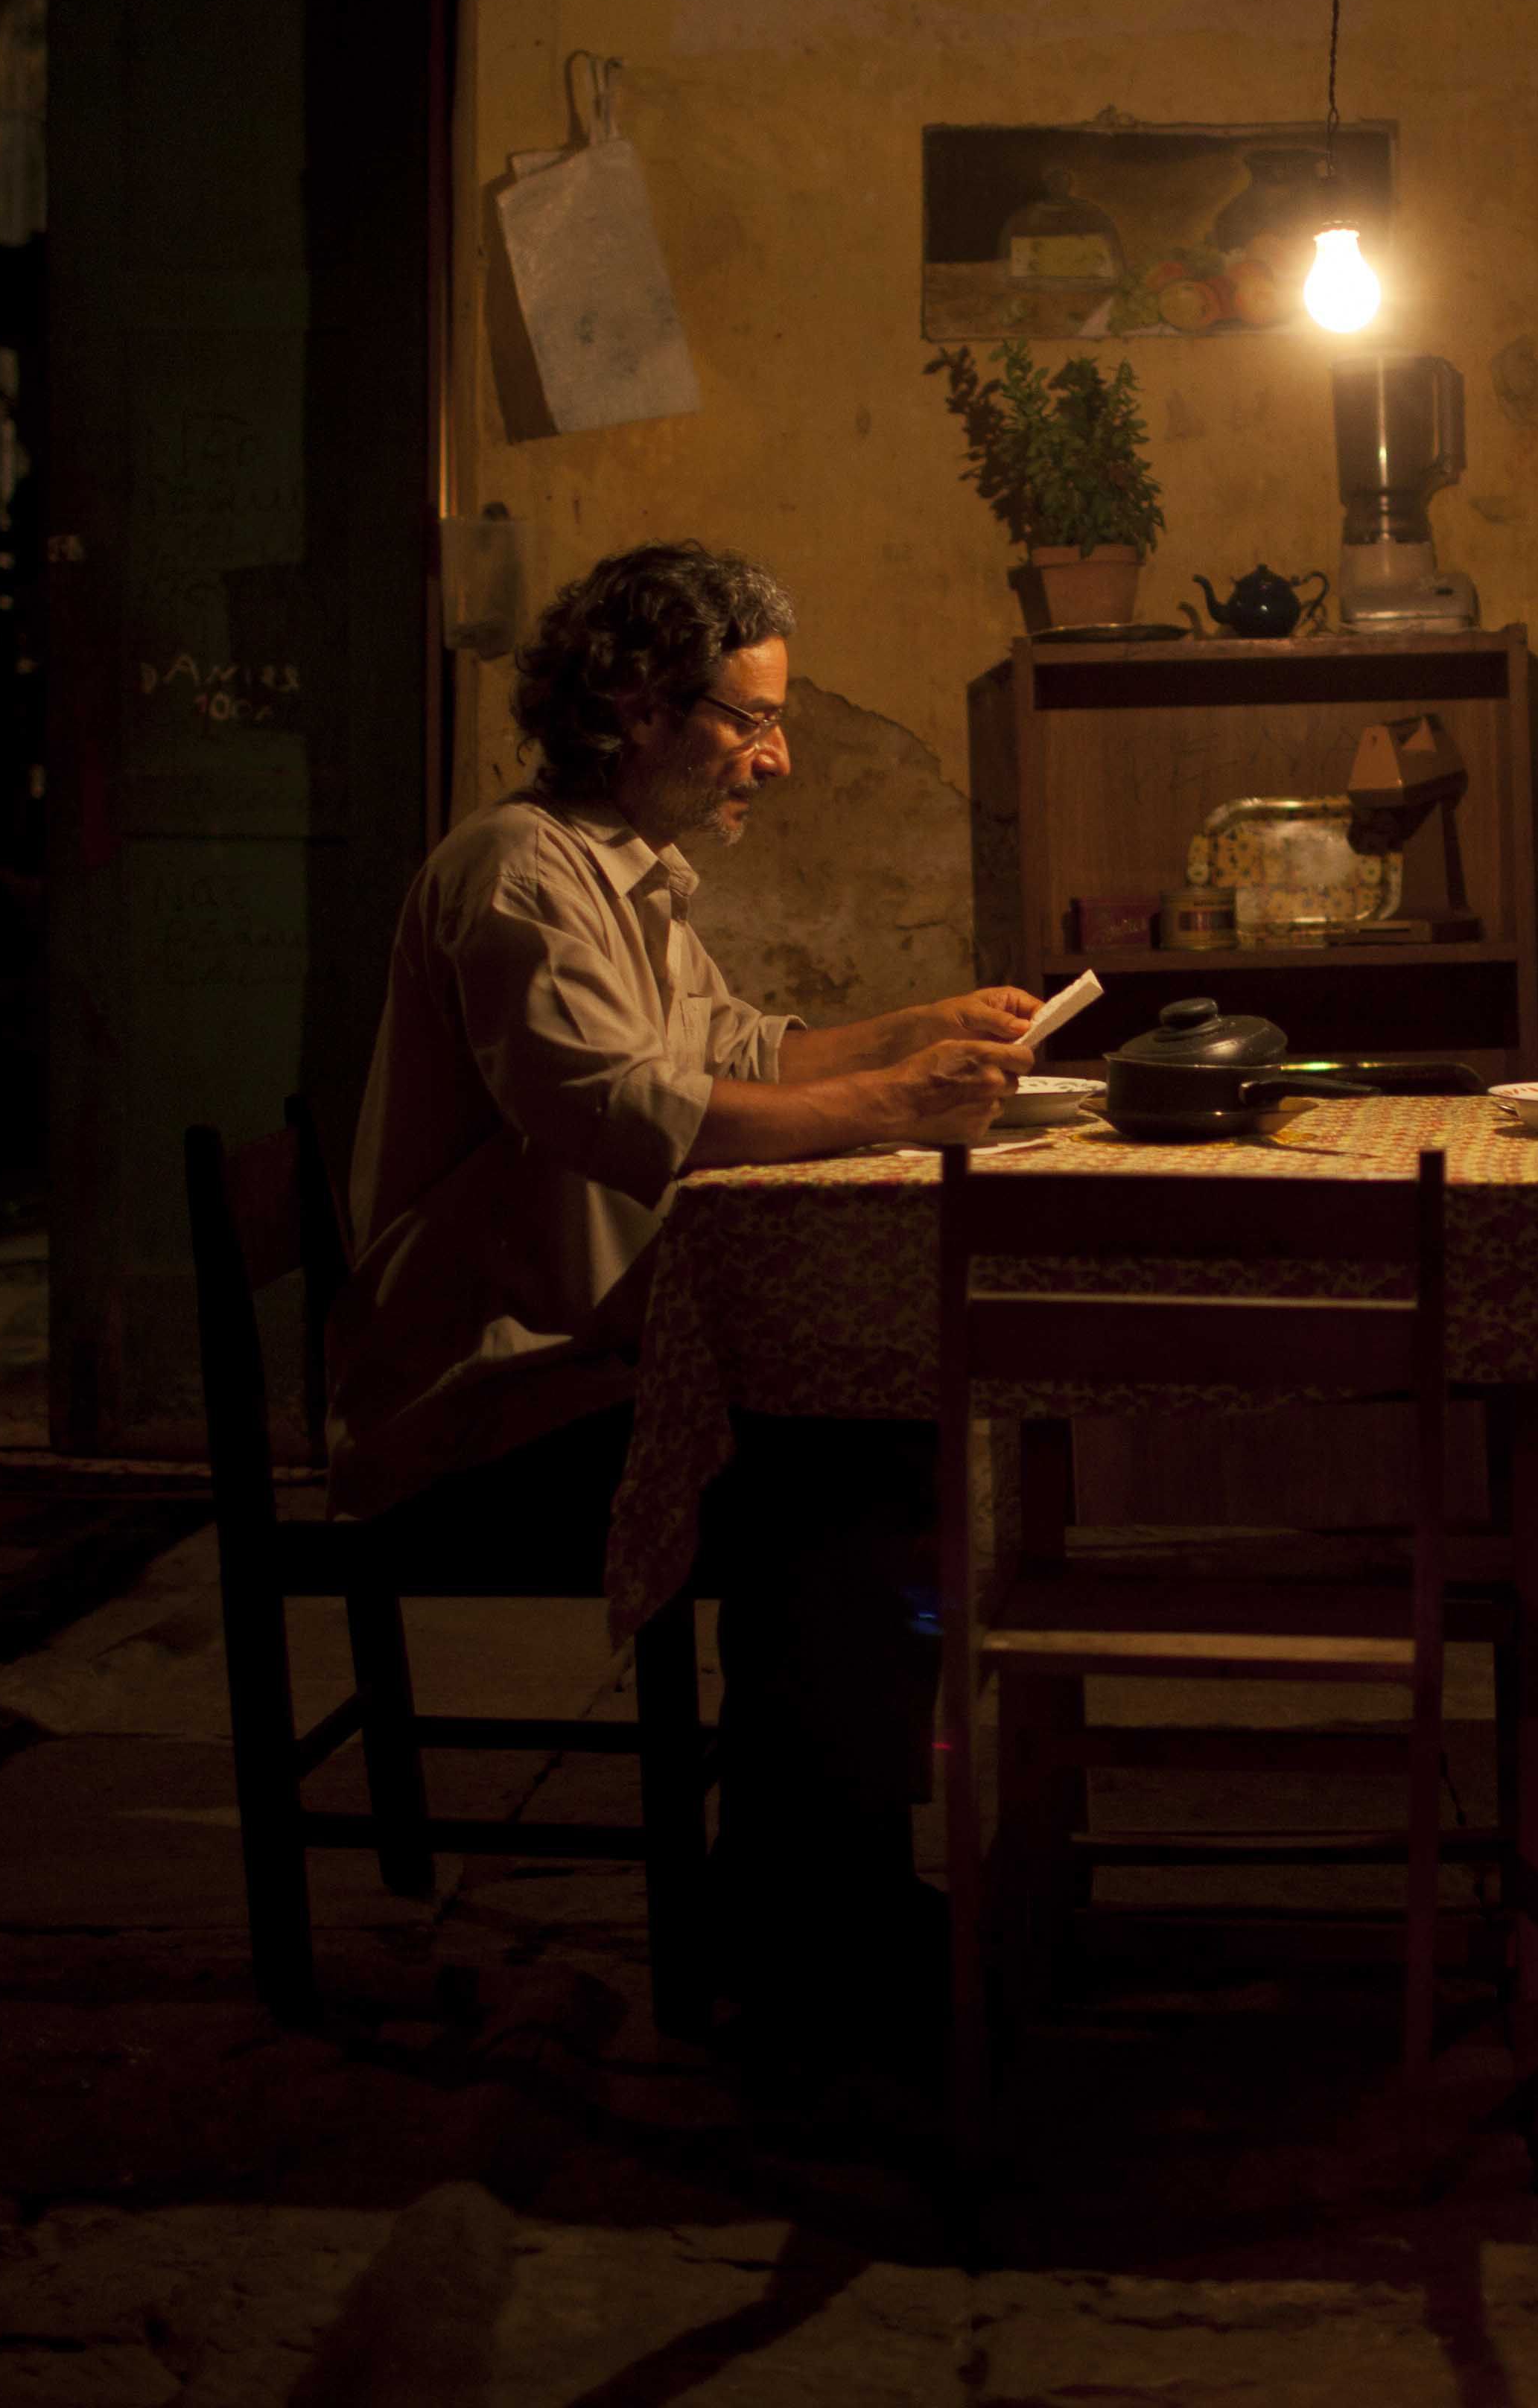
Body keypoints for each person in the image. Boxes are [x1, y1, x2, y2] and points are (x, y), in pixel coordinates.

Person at [331, 541, 1034, 2055]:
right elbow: (631, 1114)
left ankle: (810, 1881)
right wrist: (903, 1106)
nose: (775, 759)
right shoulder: (517, 877)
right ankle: (804, 1919)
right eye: (749, 721)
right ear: (637, 701)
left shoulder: (625, 880)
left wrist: (934, 1026)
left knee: (870, 1441)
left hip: (584, 1364)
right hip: (481, 1408)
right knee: (837, 1481)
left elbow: (743, 1049)